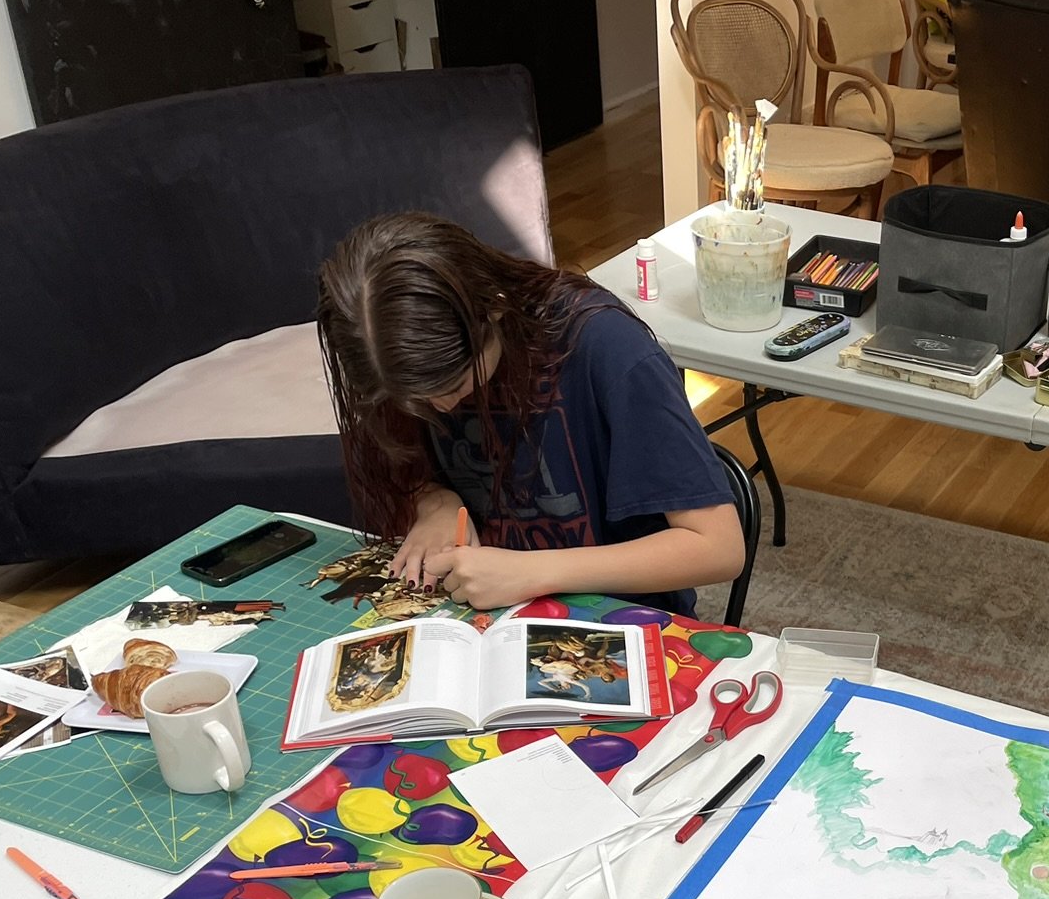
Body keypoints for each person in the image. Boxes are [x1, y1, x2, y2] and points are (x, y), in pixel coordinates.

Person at [316, 212, 746, 615]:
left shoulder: (607, 349)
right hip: (486, 611)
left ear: (494, 310)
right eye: (416, 401)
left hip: (621, 619)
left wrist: (533, 572)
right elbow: (410, 466)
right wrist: (434, 503)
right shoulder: (395, 358)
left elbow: (718, 549)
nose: (441, 408)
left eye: (452, 386)